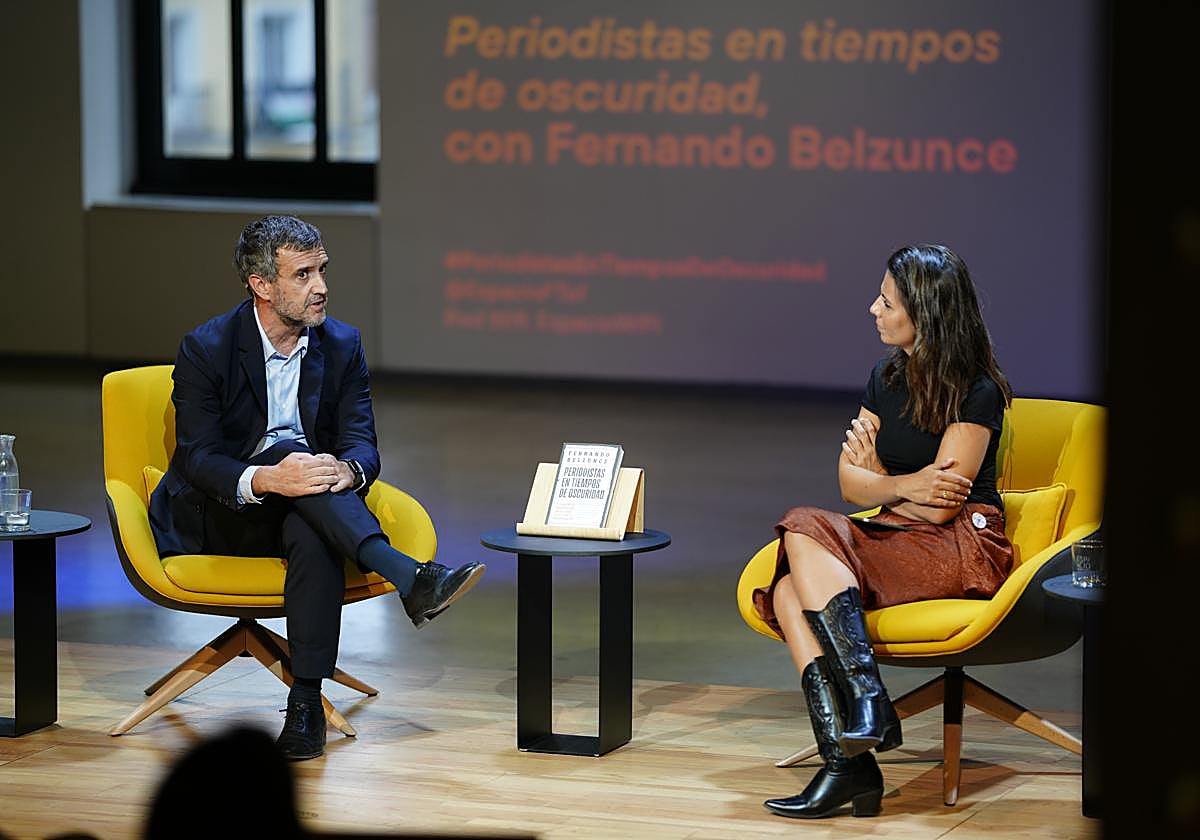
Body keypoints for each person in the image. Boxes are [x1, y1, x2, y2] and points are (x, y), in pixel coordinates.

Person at [148, 215, 485, 761]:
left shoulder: (341, 344)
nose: (322, 287)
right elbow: (198, 458)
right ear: (261, 286)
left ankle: (305, 710)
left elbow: (362, 444)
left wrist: (344, 472)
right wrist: (270, 476)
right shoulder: (206, 348)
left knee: (309, 519)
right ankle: (407, 576)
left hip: (309, 511)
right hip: (224, 512)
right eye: (303, 275)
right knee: (289, 458)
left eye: (322, 270)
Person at [753, 243, 1013, 819]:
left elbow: (942, 508)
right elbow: (849, 483)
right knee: (790, 587)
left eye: (888, 301)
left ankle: (864, 730)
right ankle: (850, 759)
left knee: (801, 529)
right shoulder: (884, 376)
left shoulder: (977, 390)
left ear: (926, 313)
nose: (874, 308)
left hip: (964, 546)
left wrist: (884, 481)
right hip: (901, 532)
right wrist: (901, 485)